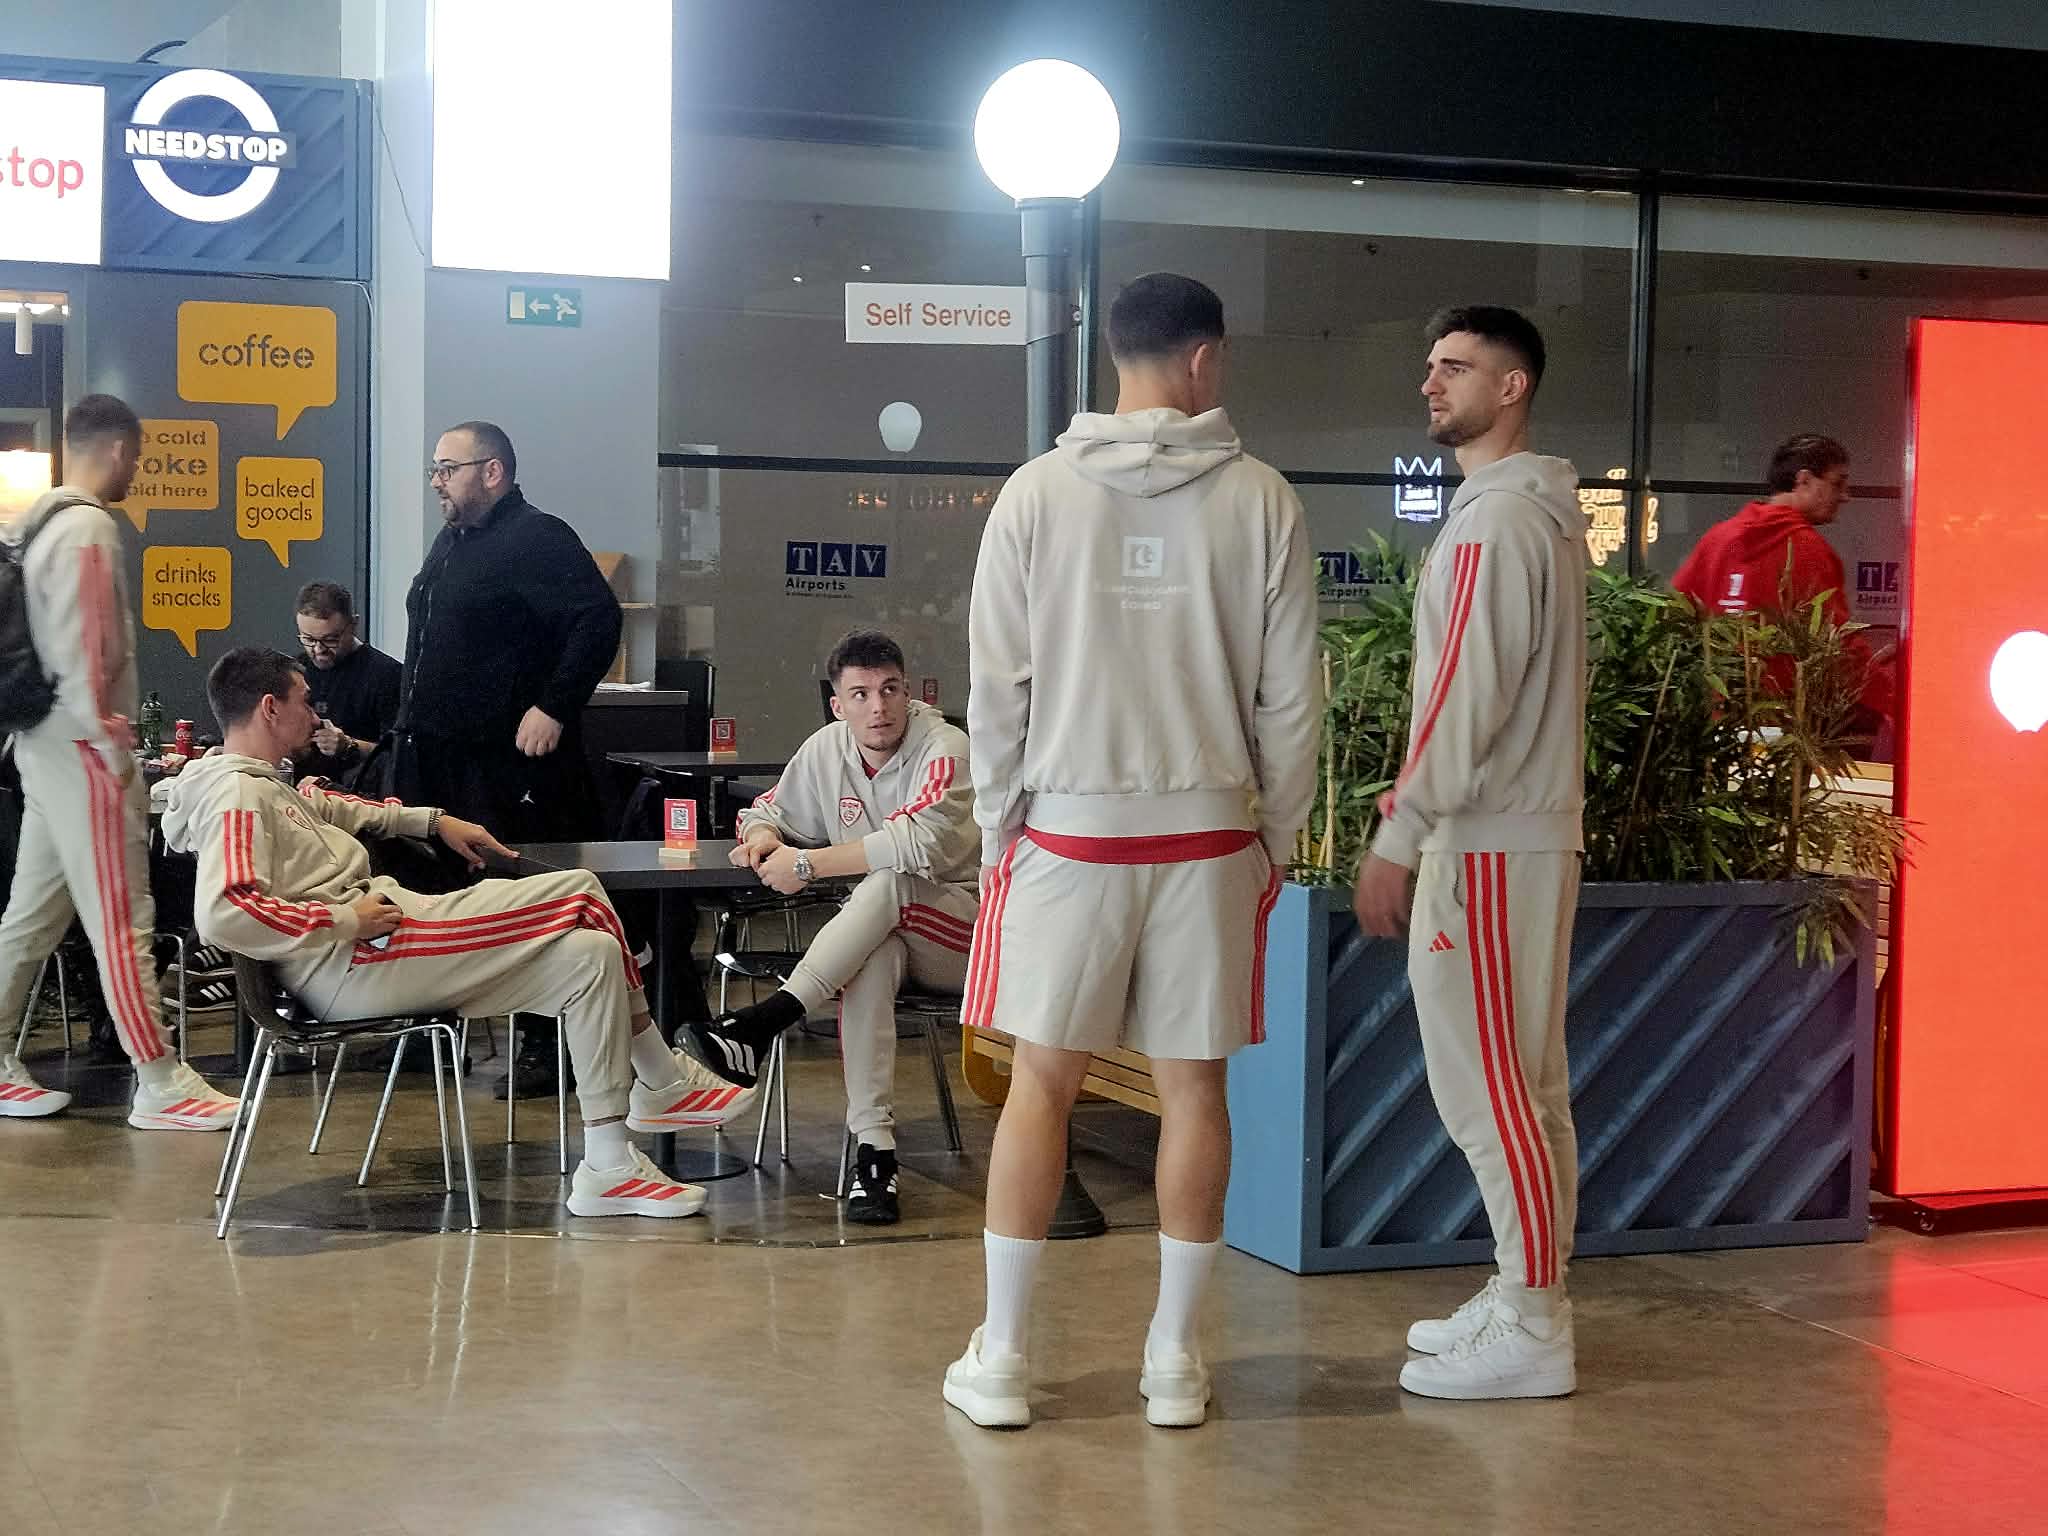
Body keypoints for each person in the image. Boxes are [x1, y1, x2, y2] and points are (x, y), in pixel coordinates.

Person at [942, 273, 1319, 1429]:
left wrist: (1000, 828)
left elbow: (995, 690)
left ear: (1115, 354)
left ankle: (1004, 1360)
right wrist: (1273, 838)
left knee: (1040, 1086)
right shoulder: (1262, 499)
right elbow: (1291, 701)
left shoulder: (1034, 494)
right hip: (1210, 838)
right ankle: (1174, 1362)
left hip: (1067, 834)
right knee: (1194, 1089)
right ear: (1202, 360)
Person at [159, 647, 754, 1216]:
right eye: (304, 701)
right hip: (357, 958)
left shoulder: (263, 783)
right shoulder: (238, 793)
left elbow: (341, 809)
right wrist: (346, 920)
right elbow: (225, 911)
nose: (316, 715)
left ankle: (608, 1164)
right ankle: (661, 1079)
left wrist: (435, 821)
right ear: (270, 708)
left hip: (375, 942)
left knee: (592, 956)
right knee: (580, 891)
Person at [1352, 306, 1586, 1401]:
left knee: (1491, 1098)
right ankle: (1528, 1293)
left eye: (1454, 367)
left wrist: (1400, 833)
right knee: (1525, 1091)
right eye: (1429, 364)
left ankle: (1533, 1325)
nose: (1429, 383)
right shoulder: (1530, 515)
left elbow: (1464, 700)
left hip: (1488, 845)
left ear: (1512, 386)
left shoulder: (1497, 524)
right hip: (1515, 838)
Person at [0, 395, 240, 1126]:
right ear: (115, 449)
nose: (135, 470)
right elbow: (91, 646)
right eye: (135, 456)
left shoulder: (36, 524)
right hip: (84, 748)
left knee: (32, 918)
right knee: (122, 920)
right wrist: (112, 745)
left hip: (42, 742)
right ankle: (160, 1080)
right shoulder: (89, 528)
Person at [689, 630, 978, 1225]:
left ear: (909, 692)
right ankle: (875, 1156)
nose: (879, 707)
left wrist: (805, 864)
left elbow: (916, 844)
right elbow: (764, 811)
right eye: (861, 694)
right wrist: (763, 838)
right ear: (838, 704)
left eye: (890, 690)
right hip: (886, 932)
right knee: (871, 955)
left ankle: (765, 1021)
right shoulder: (827, 748)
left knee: (891, 881)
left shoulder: (945, 747)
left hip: (966, 934)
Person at [395, 421, 623, 1104]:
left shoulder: (537, 537)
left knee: (521, 897)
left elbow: (598, 620)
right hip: (435, 757)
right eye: (434, 469)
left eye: (448, 468)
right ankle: (426, 1029)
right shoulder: (452, 541)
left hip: (506, 765)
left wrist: (553, 705)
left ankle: (543, 1044)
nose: (437, 482)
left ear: (492, 472)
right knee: (433, 895)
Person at [1670, 433, 1893, 722]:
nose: (1845, 496)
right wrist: (1890, 699)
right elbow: (1838, 646)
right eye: (1837, 483)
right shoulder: (1807, 550)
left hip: (1712, 721)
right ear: (1804, 480)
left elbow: (1673, 618)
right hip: (1781, 723)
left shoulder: (1717, 539)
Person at [291, 579, 401, 788]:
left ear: (353, 624)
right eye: (308, 639)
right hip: (301, 793)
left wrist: (349, 745)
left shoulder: (387, 675)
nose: (318, 650)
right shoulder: (296, 670)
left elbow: (399, 755)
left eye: (330, 639)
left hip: (359, 795)